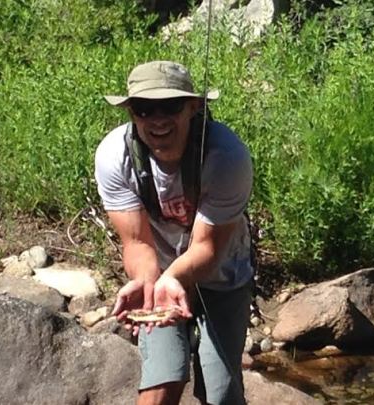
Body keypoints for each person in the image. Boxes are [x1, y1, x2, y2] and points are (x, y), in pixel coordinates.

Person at [94, 60, 254, 405]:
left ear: (194, 107)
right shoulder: (114, 156)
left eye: (170, 106)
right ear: (131, 112)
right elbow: (137, 243)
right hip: (159, 276)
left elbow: (208, 247)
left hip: (222, 271)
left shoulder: (227, 157)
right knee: (162, 380)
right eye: (144, 108)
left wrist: (176, 277)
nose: (157, 119)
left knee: (221, 393)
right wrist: (147, 282)